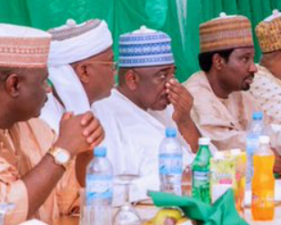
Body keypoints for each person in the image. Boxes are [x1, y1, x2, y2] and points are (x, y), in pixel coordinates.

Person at [0, 24, 102, 225]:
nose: (48, 89)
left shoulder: (34, 127)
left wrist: (85, 152)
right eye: (42, 81)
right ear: (14, 85)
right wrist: (64, 149)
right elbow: (1, 216)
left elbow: (69, 201)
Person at [94, 27, 200, 199]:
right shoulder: (105, 111)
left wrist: (185, 119)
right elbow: (110, 188)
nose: (171, 84)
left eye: (173, 74)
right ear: (132, 79)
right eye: (162, 76)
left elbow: (204, 159)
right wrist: (177, 179)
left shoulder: (165, 107)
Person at [184, 13, 263, 151]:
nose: (253, 68)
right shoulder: (194, 95)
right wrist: (265, 147)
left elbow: (268, 129)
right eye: (245, 59)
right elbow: (223, 143)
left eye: (252, 58)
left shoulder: (239, 93)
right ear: (218, 62)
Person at [40, 19, 115, 133]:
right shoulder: (44, 124)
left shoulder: (103, 109)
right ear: (84, 72)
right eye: (110, 63)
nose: (115, 71)